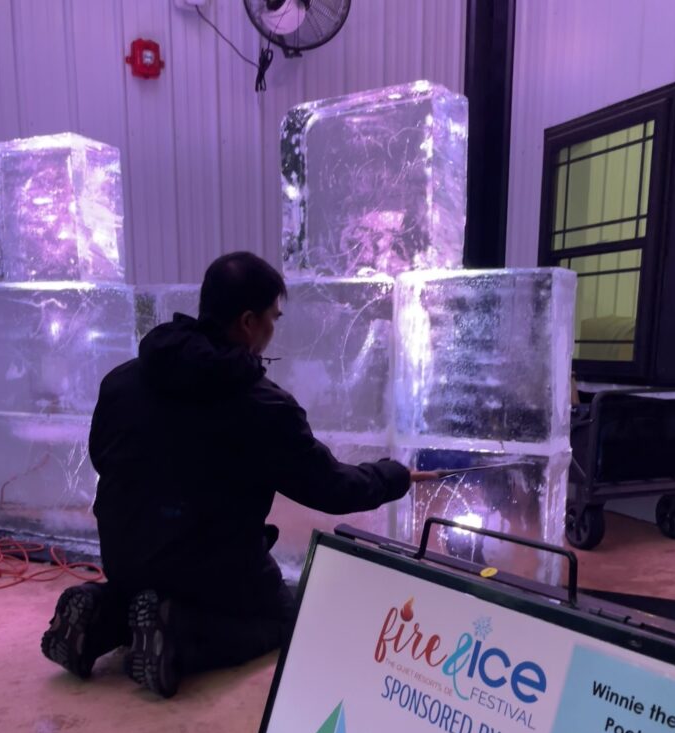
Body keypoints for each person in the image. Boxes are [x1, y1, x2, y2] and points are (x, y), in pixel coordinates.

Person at [42, 251, 433, 698]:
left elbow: (101, 457)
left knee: (148, 591)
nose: (273, 330)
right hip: (208, 571)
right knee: (282, 616)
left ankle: (98, 615)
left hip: (124, 556)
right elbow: (331, 487)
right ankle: (176, 638)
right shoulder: (263, 405)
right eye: (273, 318)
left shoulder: (121, 381)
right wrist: (393, 476)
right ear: (248, 322)